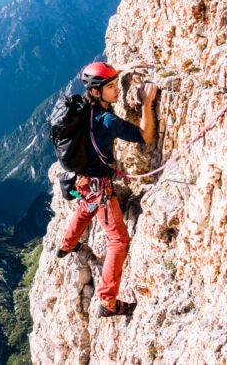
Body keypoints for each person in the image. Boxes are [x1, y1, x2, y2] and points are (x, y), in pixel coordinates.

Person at [56, 61, 157, 317]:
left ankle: (67, 245)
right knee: (118, 240)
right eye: (111, 87)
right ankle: (108, 302)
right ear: (97, 92)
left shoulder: (82, 106)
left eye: (115, 84)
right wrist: (146, 102)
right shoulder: (108, 121)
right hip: (99, 186)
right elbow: (145, 135)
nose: (117, 91)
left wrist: (120, 69)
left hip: (83, 179)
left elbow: (98, 83)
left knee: (86, 207)